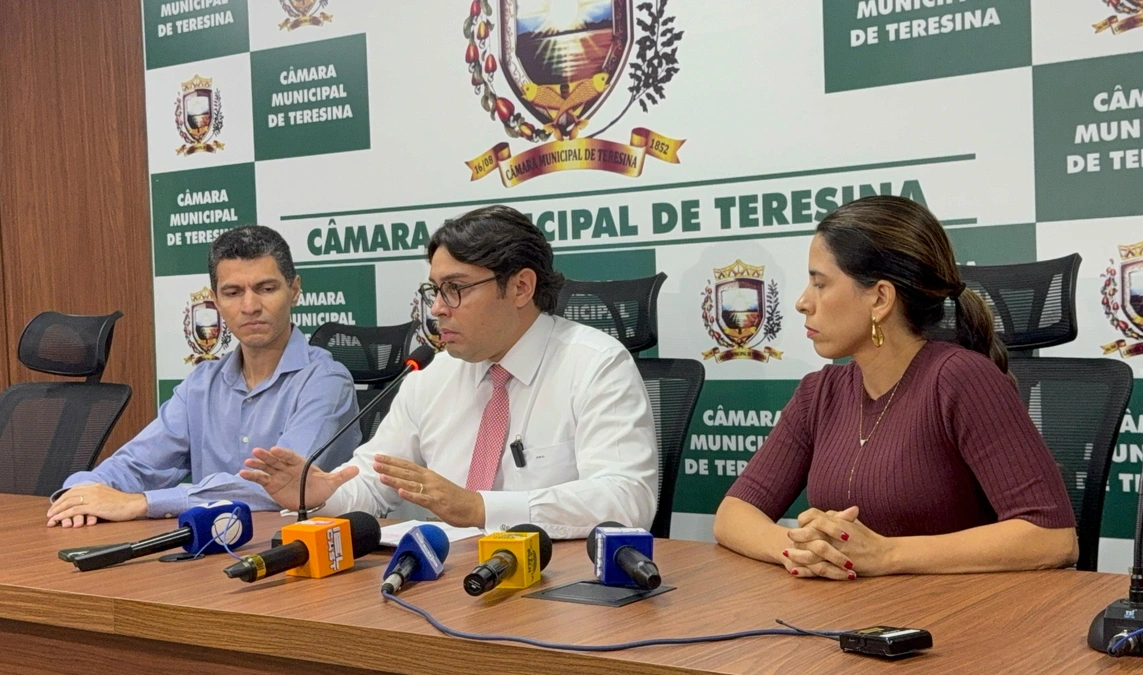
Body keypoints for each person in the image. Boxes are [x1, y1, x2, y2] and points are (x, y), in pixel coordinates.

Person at [240, 205, 658, 540]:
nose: (438, 308)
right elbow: (373, 480)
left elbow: (627, 498)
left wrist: (480, 508)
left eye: (455, 288)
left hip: (553, 589)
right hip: (442, 581)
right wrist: (323, 493)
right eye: (434, 290)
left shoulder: (595, 364)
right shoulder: (430, 373)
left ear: (521, 287)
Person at [713, 196, 1078, 579]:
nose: (803, 302)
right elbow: (733, 515)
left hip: (959, 623)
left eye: (820, 284)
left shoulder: (960, 378)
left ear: (881, 298)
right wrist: (802, 550)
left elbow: (1052, 537)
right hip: (854, 620)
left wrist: (887, 555)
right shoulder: (819, 393)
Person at [47, 225, 360, 527]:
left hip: (296, 557)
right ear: (217, 301)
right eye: (233, 292)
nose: (250, 306)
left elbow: (279, 488)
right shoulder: (202, 383)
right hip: (209, 553)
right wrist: (80, 492)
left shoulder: (327, 382)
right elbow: (138, 462)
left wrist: (143, 503)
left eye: (266, 289)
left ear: (293, 291)